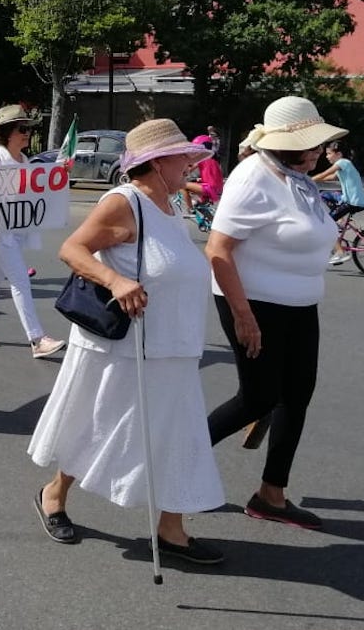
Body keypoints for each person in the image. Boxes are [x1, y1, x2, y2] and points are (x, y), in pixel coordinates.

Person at [30, 119, 225, 564]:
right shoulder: (124, 203)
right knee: (95, 427)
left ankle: (172, 529)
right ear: (157, 163)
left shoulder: (170, 204)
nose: (190, 165)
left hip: (174, 345)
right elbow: (73, 250)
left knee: (176, 435)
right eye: (182, 158)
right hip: (125, 347)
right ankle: (54, 494)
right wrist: (116, 279)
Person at [205, 96, 347, 531]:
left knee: (297, 393)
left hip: (301, 303)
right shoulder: (253, 176)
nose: (320, 152)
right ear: (287, 145)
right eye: (312, 145)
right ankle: (174, 454)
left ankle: (272, 494)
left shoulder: (297, 177)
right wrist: (244, 315)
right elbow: (218, 251)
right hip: (254, 303)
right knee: (259, 397)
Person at [0, 105, 67, 358]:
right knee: (20, 282)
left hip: (16, 229)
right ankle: (37, 339)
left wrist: (60, 174)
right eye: (22, 129)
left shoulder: (25, 161)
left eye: (28, 128)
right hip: (0, 231)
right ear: (8, 132)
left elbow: (35, 189)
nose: (27, 133)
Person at [311, 139, 364, 266]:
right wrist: (315, 180)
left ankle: (340, 252)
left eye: (329, 153)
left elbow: (326, 173)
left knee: (327, 225)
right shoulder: (345, 164)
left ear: (338, 154)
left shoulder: (342, 162)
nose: (326, 156)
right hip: (351, 200)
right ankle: (340, 221)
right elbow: (331, 177)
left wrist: (309, 180)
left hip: (352, 202)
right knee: (324, 194)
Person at [182, 134, 225, 213]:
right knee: (201, 207)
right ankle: (210, 222)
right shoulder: (214, 160)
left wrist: (180, 174)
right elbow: (213, 177)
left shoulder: (202, 159)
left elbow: (188, 170)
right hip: (218, 190)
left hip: (210, 189)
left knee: (182, 186)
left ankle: (189, 208)